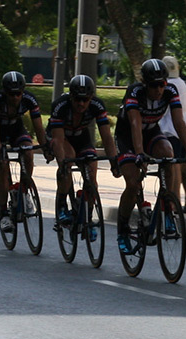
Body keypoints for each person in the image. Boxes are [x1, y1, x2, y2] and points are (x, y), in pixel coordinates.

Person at [114, 58, 186, 254]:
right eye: (154, 85)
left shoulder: (170, 91)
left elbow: (179, 124)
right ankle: (123, 229)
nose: (159, 89)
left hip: (151, 132)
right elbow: (134, 125)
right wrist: (139, 154)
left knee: (168, 153)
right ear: (145, 84)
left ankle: (167, 209)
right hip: (127, 137)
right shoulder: (135, 92)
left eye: (162, 84)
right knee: (133, 183)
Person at [48, 74, 119, 231]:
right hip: (61, 136)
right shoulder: (61, 106)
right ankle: (61, 207)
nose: (81, 103)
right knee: (68, 158)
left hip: (81, 136)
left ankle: (87, 215)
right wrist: (63, 165)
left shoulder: (97, 105)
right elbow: (58, 141)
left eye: (85, 100)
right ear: (71, 97)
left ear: (91, 98)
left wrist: (114, 162)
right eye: (77, 99)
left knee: (92, 170)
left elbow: (107, 137)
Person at [0, 71, 49, 233]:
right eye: (11, 94)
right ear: (5, 92)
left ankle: (24, 191)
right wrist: (0, 155)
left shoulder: (29, 99)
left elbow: (39, 128)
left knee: (28, 152)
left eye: (18, 94)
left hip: (15, 129)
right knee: (3, 165)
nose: (15, 98)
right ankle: (2, 212)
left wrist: (46, 148)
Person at [158, 56, 186, 213]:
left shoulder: (167, 86)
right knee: (183, 167)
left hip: (169, 130)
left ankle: (172, 201)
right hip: (183, 130)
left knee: (172, 168)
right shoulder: (182, 84)